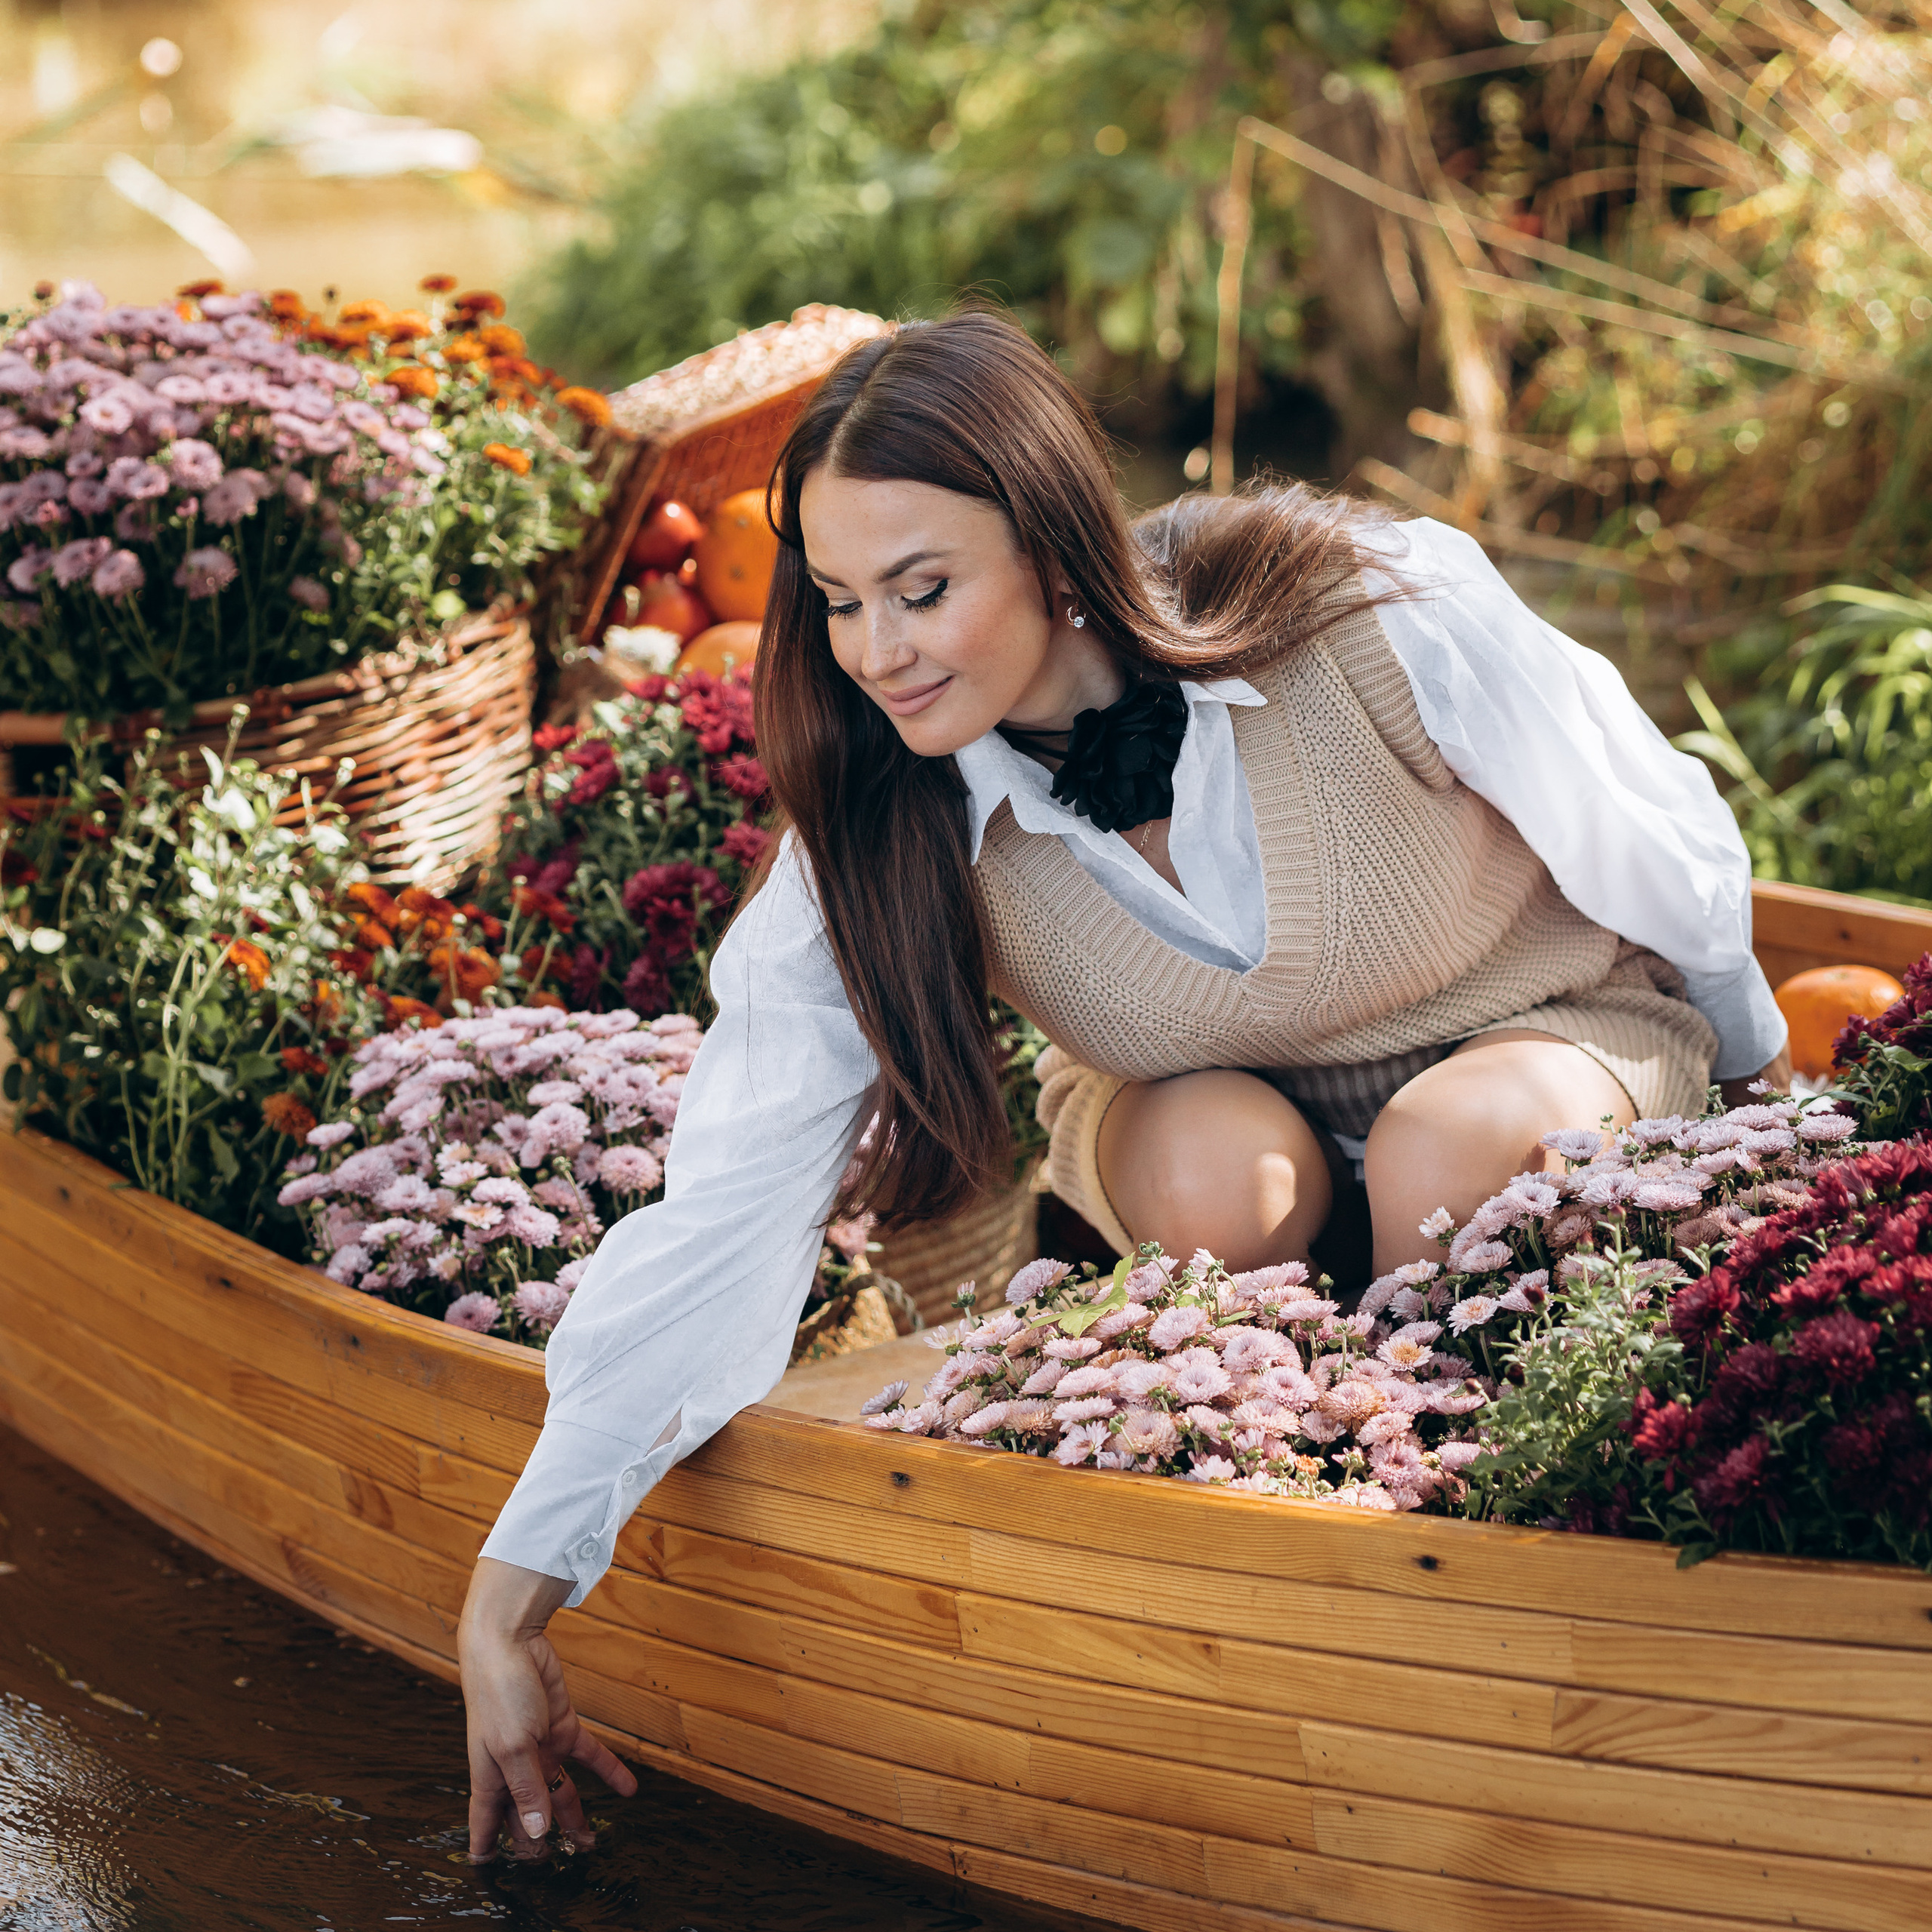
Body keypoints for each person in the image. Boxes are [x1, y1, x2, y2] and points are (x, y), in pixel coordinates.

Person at [457, 311, 1790, 1856]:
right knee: (1219, 1180)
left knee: (1444, 1151)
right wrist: (512, 1596)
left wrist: (1762, 1099)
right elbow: (731, 1200)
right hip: (1205, 1124)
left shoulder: (1376, 603)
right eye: (835, 601)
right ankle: (1284, 1506)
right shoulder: (886, 821)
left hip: (1542, 1032)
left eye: (922, 587)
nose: (875, 649)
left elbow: (1658, 844)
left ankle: (1476, 1553)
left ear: (1054, 547)